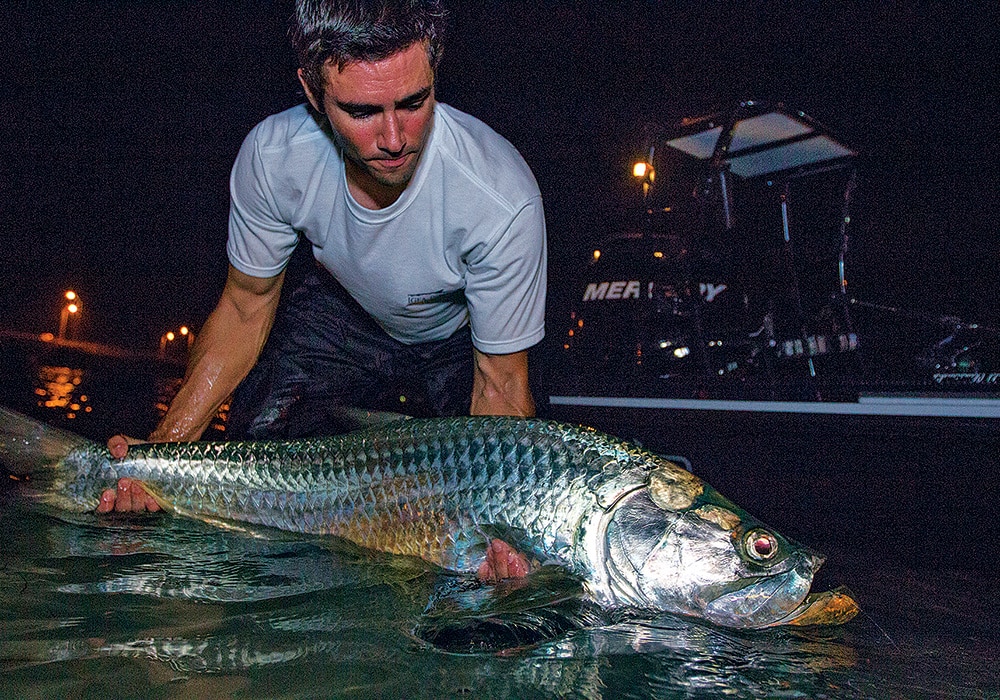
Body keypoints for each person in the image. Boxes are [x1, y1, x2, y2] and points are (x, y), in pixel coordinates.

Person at [99, 0, 546, 561]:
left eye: (413, 102)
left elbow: (501, 385)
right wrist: (158, 460)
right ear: (312, 94)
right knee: (258, 441)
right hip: (341, 316)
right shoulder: (274, 157)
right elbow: (244, 309)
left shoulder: (500, 200)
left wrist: (498, 532)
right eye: (362, 111)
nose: (393, 138)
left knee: (500, 521)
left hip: (457, 339)